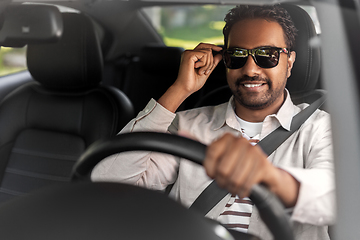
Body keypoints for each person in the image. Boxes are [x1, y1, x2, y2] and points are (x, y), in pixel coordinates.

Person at [92, 5, 335, 240]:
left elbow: (336, 198)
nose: (250, 69)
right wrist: (179, 90)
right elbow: (108, 184)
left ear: (289, 61)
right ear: (225, 61)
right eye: (237, 55)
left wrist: (269, 176)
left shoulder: (321, 127)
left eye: (267, 55)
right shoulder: (189, 124)